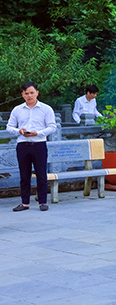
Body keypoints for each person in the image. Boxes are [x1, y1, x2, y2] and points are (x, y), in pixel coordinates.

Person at [7, 82, 56, 212]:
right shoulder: (17, 110)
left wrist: (38, 133)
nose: (29, 96)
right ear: (22, 94)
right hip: (23, 145)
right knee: (24, 175)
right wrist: (19, 131)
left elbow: (52, 127)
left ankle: (43, 202)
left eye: (32, 93)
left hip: (39, 144)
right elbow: (9, 127)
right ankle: (25, 203)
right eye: (26, 93)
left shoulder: (46, 109)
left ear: (37, 93)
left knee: (41, 174)